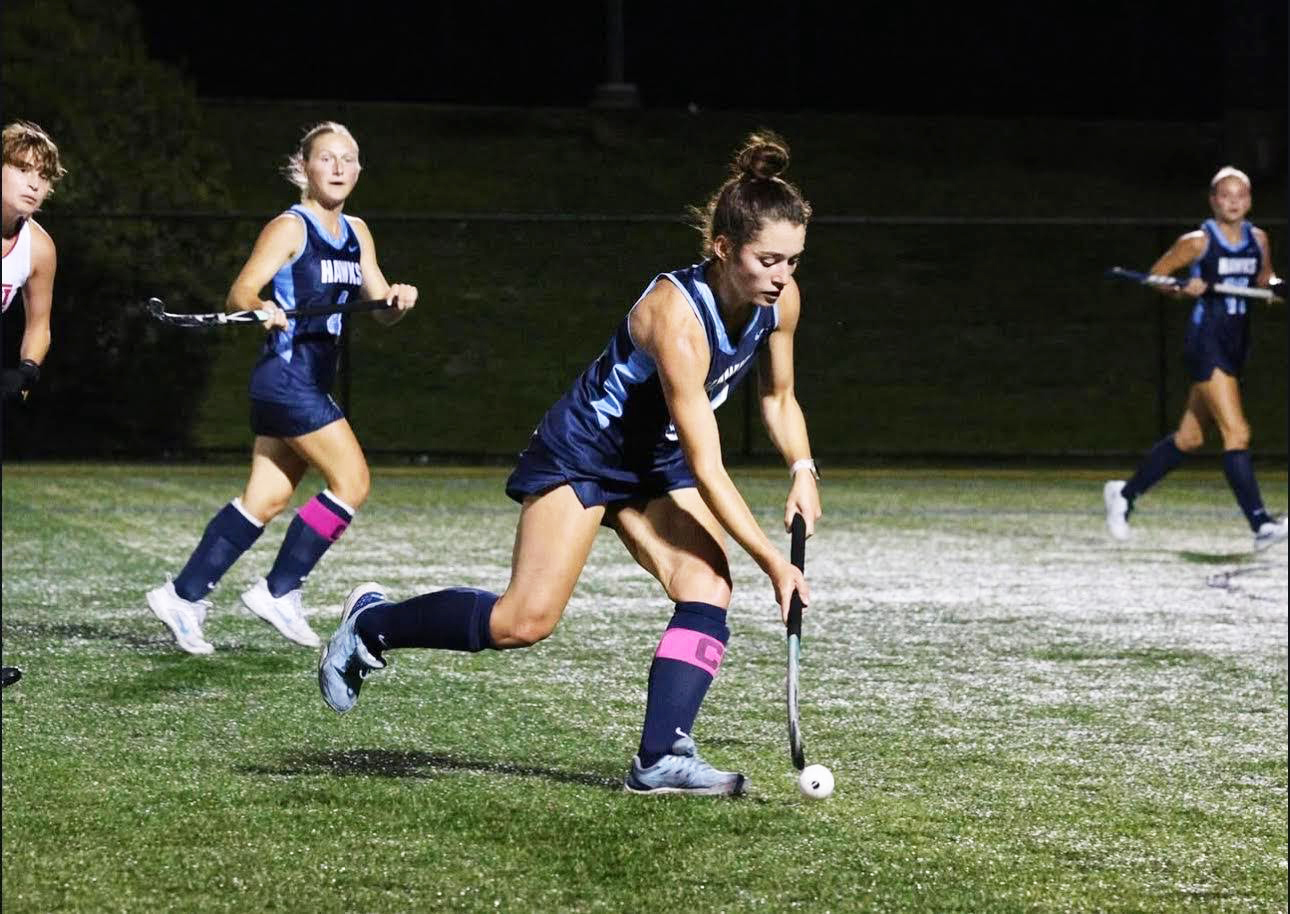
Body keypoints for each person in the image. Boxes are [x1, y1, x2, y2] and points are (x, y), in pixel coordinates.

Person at [318, 131, 821, 796]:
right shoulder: (677, 320)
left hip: (653, 457)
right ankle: (371, 624)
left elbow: (779, 398)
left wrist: (802, 469)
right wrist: (773, 561)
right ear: (724, 249)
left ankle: (659, 757)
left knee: (706, 586)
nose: (783, 276)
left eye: (792, 260)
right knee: (523, 622)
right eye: (769, 260)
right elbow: (708, 466)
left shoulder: (779, 303)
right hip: (585, 450)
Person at [146, 122, 417, 655]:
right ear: (305, 168)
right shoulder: (290, 228)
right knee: (352, 482)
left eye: (349, 159)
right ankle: (280, 589)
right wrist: (260, 306)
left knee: (265, 499)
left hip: (307, 382)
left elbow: (379, 304)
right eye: (326, 159)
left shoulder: (358, 232)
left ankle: (183, 594)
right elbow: (240, 291)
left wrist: (398, 301)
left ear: (359, 170)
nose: (338, 168)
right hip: (286, 379)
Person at [1104, 166, 1286, 551]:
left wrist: (1276, 288)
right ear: (1213, 200)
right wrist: (1182, 288)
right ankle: (1260, 525)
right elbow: (1157, 276)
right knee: (1236, 432)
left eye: (1241, 195)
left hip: (1237, 341)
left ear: (1249, 201)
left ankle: (1124, 494)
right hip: (1206, 341)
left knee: (1190, 438)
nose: (1233, 202)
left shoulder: (1259, 239)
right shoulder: (1197, 242)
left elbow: (1264, 280)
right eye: (1226, 195)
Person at [2, 120, 67, 689]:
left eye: (42, 177)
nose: (33, 185)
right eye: (21, 170)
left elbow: (38, 325)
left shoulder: (37, 245)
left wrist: (25, 373)